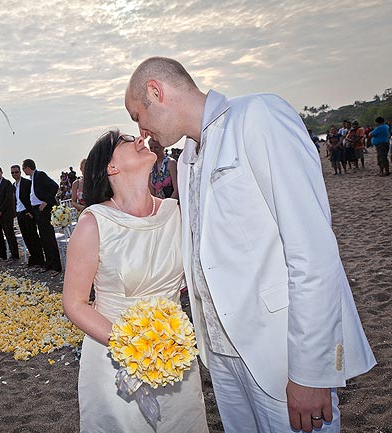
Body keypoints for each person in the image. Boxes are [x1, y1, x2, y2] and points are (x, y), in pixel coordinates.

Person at [125, 56, 376, 433]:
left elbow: (312, 251)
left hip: (278, 353)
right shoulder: (189, 157)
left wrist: (310, 370)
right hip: (222, 358)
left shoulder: (257, 115)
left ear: (156, 92)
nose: (141, 131)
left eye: (137, 116)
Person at [63, 130, 208, 432]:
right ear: (111, 168)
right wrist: (133, 345)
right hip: (114, 358)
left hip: (173, 352)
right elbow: (74, 303)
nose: (142, 141)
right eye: (128, 142)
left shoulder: (175, 212)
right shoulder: (94, 223)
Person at [22, 159, 62, 276]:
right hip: (37, 210)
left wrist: (45, 201)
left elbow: (54, 186)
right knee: (43, 238)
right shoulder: (32, 178)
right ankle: (48, 263)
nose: (23, 170)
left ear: (27, 168)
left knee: (49, 238)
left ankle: (56, 266)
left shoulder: (40, 175)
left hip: (44, 209)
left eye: (23, 168)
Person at [11, 164, 44, 267]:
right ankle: (34, 259)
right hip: (19, 214)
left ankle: (40, 260)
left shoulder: (27, 183)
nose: (15, 174)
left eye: (16, 172)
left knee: (33, 237)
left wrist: (31, 212)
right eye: (12, 173)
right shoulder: (14, 185)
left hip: (27, 213)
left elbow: (32, 197)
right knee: (26, 238)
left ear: (20, 172)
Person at [0, 166, 19, 261]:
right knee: (6, 234)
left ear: (1, 172)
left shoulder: (7, 183)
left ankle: (15, 254)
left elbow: (8, 199)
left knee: (10, 233)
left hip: (7, 212)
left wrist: (1, 210)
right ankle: (11, 253)